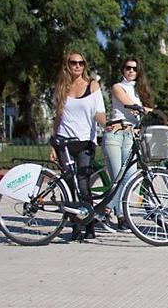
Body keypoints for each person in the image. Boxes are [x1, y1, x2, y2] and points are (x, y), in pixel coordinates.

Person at [50, 51, 106, 241]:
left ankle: (89, 225)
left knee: (83, 184)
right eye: (73, 63)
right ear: (67, 65)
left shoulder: (92, 85)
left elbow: (99, 113)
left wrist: (109, 124)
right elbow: (58, 117)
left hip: (85, 142)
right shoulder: (61, 88)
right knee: (68, 185)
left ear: (84, 65)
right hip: (64, 143)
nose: (77, 66)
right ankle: (74, 226)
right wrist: (53, 144)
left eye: (81, 63)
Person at [102, 56, 153, 232]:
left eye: (134, 68)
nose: (130, 71)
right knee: (117, 178)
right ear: (122, 70)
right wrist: (151, 111)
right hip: (115, 136)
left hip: (130, 136)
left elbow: (138, 114)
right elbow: (128, 104)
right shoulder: (118, 87)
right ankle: (107, 211)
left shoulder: (140, 92)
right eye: (127, 68)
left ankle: (120, 215)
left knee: (130, 178)